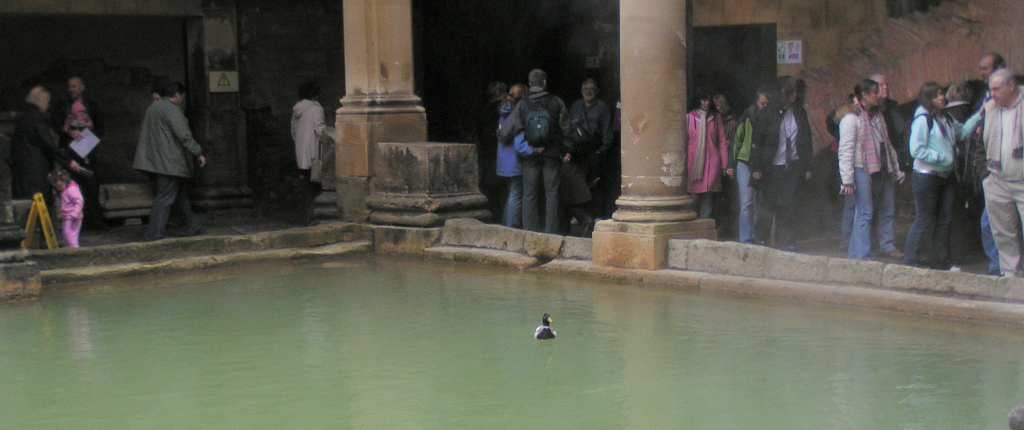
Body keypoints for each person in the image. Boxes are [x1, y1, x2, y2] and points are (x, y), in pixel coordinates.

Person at [961, 69, 1024, 276]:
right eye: (990, 89)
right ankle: (1009, 276)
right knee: (1003, 233)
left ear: (1011, 86)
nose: (992, 94)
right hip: (997, 181)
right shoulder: (990, 109)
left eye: (996, 89)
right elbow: (980, 145)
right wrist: (984, 176)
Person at [838, 78, 905, 261]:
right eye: (875, 92)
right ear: (864, 95)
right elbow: (846, 151)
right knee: (865, 212)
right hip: (861, 168)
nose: (879, 95)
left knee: (868, 211)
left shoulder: (877, 117)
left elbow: (886, 144)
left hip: (879, 168)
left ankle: (856, 253)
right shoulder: (851, 119)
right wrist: (847, 180)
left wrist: (896, 168)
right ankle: (862, 255)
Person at [498, 69, 571, 234]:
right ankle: (551, 232)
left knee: (529, 194)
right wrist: (566, 149)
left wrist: (500, 133)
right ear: (545, 82)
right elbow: (567, 129)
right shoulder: (557, 102)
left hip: (530, 156)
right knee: (552, 194)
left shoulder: (523, 105)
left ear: (530, 84)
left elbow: (506, 133)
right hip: (552, 154)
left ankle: (529, 232)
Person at [133, 82, 206, 241]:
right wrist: (197, 152)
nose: (182, 100)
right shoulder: (172, 110)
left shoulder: (152, 109)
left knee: (179, 194)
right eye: (183, 96)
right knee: (165, 197)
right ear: (177, 95)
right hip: (169, 163)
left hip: (155, 161)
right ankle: (154, 234)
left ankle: (192, 225)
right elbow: (183, 135)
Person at [750, 77, 813, 250]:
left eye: (795, 92)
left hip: (792, 165)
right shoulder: (767, 113)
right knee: (768, 203)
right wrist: (756, 167)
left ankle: (786, 241)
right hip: (772, 166)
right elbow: (757, 141)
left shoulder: (799, 112)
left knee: (789, 203)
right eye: (789, 92)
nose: (794, 95)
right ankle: (761, 237)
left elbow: (806, 140)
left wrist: (807, 166)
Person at [902, 82, 958, 269]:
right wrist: (942, 158)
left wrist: (979, 116)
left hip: (946, 177)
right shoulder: (923, 120)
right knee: (924, 219)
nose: (941, 98)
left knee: (944, 220)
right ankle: (910, 261)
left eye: (942, 94)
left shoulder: (946, 119)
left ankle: (939, 262)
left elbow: (963, 132)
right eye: (936, 95)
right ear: (928, 100)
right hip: (926, 176)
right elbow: (916, 149)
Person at [50, 76, 107, 231]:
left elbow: (101, 128)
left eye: (75, 86)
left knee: (91, 185)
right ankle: (73, 222)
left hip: (88, 152)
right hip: (70, 154)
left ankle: (94, 221)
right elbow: (56, 125)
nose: (72, 89)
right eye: (69, 86)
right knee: (72, 187)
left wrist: (90, 131)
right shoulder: (63, 108)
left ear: (82, 87)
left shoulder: (91, 107)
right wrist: (69, 132)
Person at [11, 86, 80, 210]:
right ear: (41, 101)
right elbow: (48, 144)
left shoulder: (25, 117)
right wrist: (68, 161)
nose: (48, 106)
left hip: (25, 169)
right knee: (40, 205)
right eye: (47, 102)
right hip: (35, 171)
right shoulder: (35, 118)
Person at [562, 78, 612, 236]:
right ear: (581, 90)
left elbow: (607, 130)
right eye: (585, 88)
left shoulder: (602, 107)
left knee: (596, 186)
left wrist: (602, 151)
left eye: (591, 89)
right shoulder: (576, 106)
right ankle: (581, 218)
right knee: (577, 186)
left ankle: (596, 217)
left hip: (594, 152)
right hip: (577, 153)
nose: (588, 91)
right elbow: (569, 127)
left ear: (596, 91)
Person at [731, 86, 771, 244]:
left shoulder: (770, 119)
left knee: (761, 202)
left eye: (767, 104)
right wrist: (730, 163)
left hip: (762, 163)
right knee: (747, 201)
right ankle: (746, 237)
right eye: (762, 104)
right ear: (756, 102)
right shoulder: (747, 117)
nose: (764, 107)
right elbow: (736, 141)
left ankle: (756, 234)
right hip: (745, 162)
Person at [686, 89, 730, 220]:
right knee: (693, 198)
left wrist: (724, 165)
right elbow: (683, 142)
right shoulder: (689, 117)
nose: (706, 103)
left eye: (708, 100)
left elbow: (722, 141)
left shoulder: (716, 118)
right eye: (704, 100)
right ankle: (692, 229)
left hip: (712, 163)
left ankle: (704, 230)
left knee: (708, 198)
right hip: (694, 163)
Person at [291, 81, 326, 225]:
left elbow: (293, 132)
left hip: (302, 153)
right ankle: (313, 216)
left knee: (307, 185)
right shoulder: (316, 109)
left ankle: (306, 215)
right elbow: (319, 130)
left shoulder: (297, 110)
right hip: (314, 153)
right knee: (316, 186)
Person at [496, 84, 529, 229]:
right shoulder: (517, 113)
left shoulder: (503, 112)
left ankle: (506, 223)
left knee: (511, 194)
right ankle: (511, 227)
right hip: (515, 160)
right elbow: (519, 141)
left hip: (504, 161)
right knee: (516, 194)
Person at [477, 81, 508, 224]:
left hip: (486, 154)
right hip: (500, 153)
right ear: (501, 95)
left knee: (491, 190)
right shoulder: (502, 110)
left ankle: (493, 217)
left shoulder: (482, 110)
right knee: (503, 190)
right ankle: (503, 218)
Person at [49, 169, 83, 248]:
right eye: (56, 187)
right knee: (73, 235)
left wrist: (75, 213)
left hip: (72, 215)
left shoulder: (71, 190)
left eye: (60, 186)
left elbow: (79, 201)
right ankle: (74, 248)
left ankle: (75, 250)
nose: (59, 189)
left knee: (67, 233)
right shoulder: (66, 189)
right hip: (70, 215)